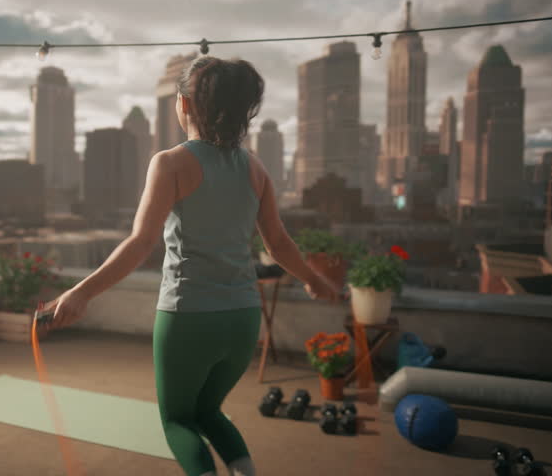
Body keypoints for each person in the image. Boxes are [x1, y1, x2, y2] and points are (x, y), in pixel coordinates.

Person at [42, 55, 343, 476]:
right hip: (242, 321)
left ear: (183, 105)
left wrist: (81, 292)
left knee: (177, 419)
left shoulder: (170, 163)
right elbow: (277, 244)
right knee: (209, 411)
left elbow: (141, 242)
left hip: (188, 317)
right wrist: (314, 280)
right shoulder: (256, 168)